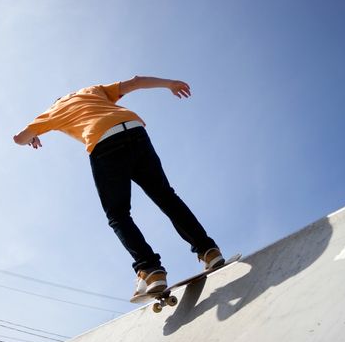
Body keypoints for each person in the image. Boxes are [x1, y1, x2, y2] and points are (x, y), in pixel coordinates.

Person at [13, 76, 224, 301]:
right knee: (166, 196)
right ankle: (208, 251)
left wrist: (32, 137)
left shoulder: (52, 112)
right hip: (134, 129)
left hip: (103, 143)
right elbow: (136, 82)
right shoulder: (92, 91)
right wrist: (170, 84)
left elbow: (18, 138)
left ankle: (150, 270)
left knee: (118, 214)